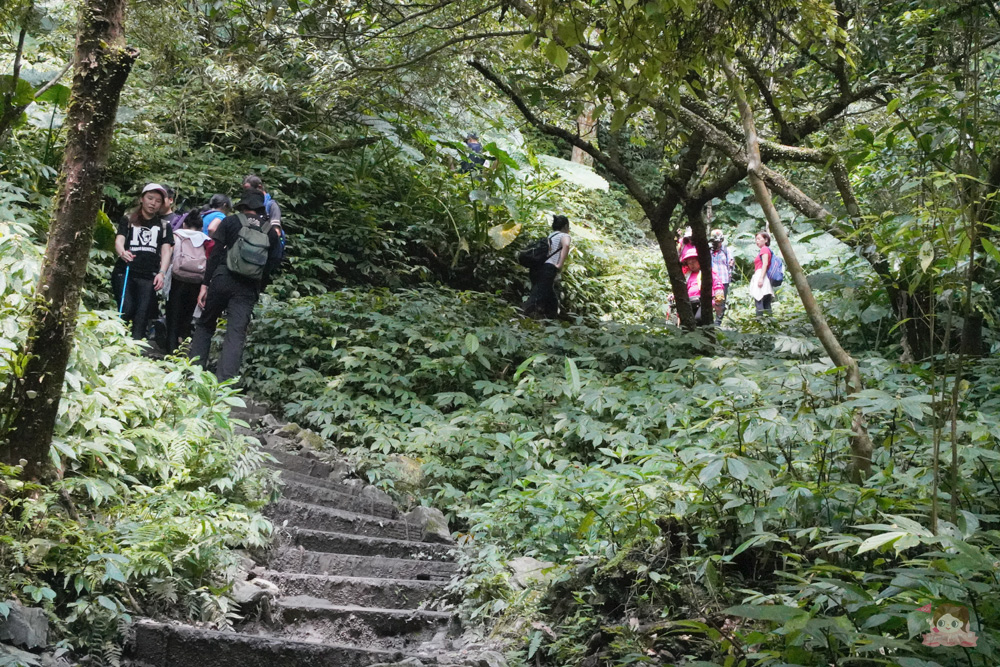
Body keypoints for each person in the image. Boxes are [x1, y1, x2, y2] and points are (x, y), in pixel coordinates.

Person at [189, 191, 282, 381]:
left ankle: (193, 374)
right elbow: (273, 263)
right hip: (248, 288)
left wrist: (205, 284)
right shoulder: (270, 232)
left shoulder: (231, 222)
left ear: (243, 206)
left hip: (223, 279)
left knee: (206, 324)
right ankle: (224, 384)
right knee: (236, 334)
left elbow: (214, 253)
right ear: (260, 208)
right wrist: (258, 285)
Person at [112, 183, 174, 340]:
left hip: (149, 275)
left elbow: (166, 251)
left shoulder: (164, 226)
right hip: (125, 271)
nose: (153, 203)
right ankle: (117, 343)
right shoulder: (128, 219)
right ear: (142, 199)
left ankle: (135, 352)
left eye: (158, 201)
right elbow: (119, 240)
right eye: (150, 198)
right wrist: (122, 252)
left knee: (142, 314)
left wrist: (162, 272)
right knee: (126, 309)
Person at [165, 211, 213, 353]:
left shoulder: (177, 234)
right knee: (188, 313)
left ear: (185, 224)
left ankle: (170, 347)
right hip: (197, 280)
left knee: (173, 313)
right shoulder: (206, 240)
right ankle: (184, 345)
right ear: (200, 226)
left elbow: (168, 253)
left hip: (177, 278)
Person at [524, 215, 571, 319]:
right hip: (548, 268)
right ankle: (524, 315)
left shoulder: (550, 236)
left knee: (550, 294)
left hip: (537, 267)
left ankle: (551, 317)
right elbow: (566, 245)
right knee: (537, 295)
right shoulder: (564, 236)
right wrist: (560, 264)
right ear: (565, 226)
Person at [680, 245, 725, 324]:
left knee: (698, 319)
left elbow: (717, 285)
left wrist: (718, 298)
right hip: (689, 303)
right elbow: (682, 288)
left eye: (694, 262)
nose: (692, 265)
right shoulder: (687, 275)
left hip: (703, 302)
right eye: (689, 263)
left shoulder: (708, 273)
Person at [710, 229, 734, 324]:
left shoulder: (726, 250)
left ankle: (718, 322)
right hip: (712, 279)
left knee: (721, 301)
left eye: (719, 242)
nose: (718, 244)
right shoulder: (709, 251)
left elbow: (731, 262)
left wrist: (731, 268)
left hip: (723, 279)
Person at [750, 231, 774, 317]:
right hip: (764, 276)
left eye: (759, 239)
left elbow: (765, 264)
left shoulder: (764, 249)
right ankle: (770, 324)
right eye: (756, 239)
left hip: (761, 275)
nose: (757, 241)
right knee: (766, 303)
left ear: (766, 240)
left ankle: (759, 322)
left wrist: (761, 278)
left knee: (759, 300)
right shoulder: (766, 250)